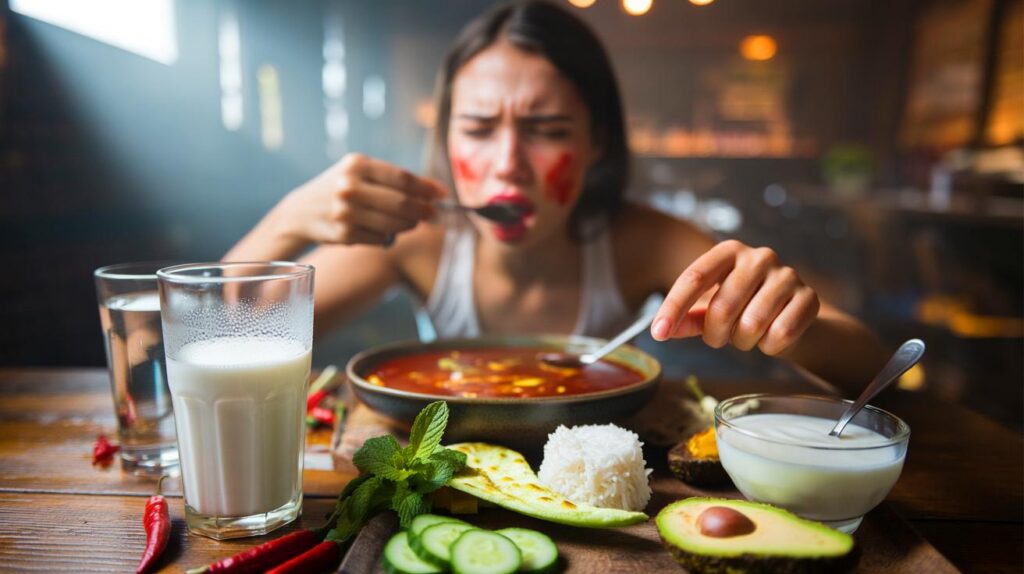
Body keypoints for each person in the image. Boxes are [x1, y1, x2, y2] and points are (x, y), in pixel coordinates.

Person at [225, 0, 887, 393]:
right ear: (445, 135)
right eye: (478, 129)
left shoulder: (642, 239)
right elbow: (230, 341)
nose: (507, 164)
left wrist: (784, 321)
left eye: (547, 132)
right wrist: (286, 221)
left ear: (598, 141)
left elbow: (870, 367)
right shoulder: (419, 238)